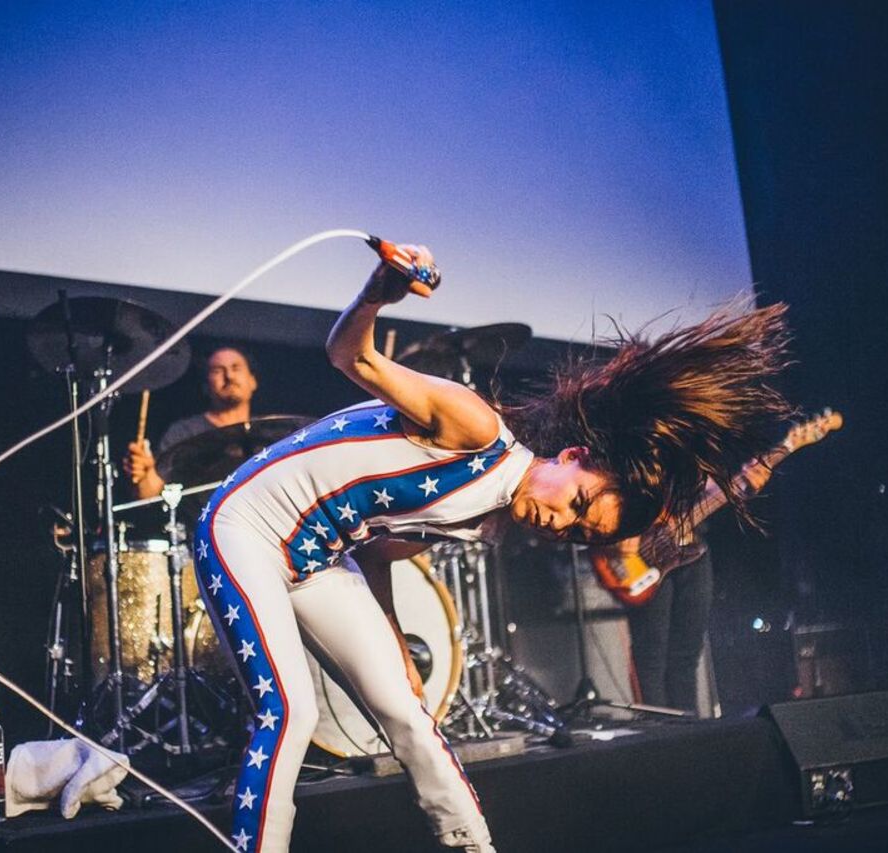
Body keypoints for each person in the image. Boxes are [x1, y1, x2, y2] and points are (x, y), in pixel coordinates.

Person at [191, 245, 791, 852]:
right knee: (288, 711)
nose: (562, 523)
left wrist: (394, 640)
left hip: (316, 562)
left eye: (579, 534)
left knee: (411, 717)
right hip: (243, 525)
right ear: (572, 457)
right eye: (579, 504)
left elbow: (375, 552)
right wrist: (378, 290)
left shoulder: (482, 522)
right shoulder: (476, 431)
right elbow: (351, 355)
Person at [620, 459, 774, 715]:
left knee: (686, 655)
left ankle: (688, 732)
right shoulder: (632, 438)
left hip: (692, 552)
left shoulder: (686, 443)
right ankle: (658, 737)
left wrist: (744, 486)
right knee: (652, 657)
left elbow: (706, 487)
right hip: (644, 555)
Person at [124, 345, 259, 499]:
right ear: (206, 386)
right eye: (218, 370)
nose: (229, 376)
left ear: (253, 381)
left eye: (236, 368)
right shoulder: (184, 432)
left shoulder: (269, 434)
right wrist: (142, 474)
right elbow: (148, 494)